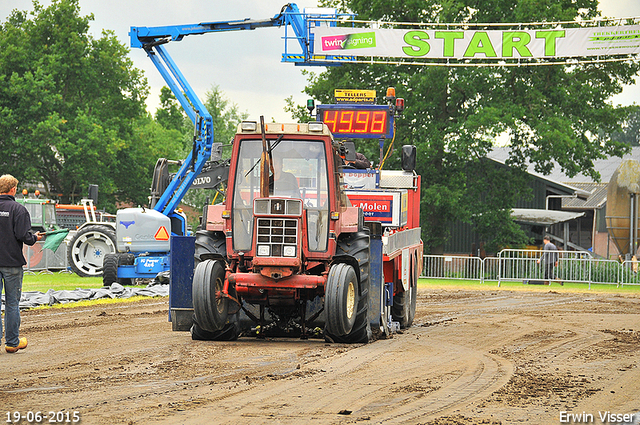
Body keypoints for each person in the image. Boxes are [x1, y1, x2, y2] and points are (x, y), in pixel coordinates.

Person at [0, 174, 44, 353]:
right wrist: (35, 237)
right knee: (11, 303)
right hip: (11, 263)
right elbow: (24, 236)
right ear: (13, 189)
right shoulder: (18, 209)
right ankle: (12, 342)